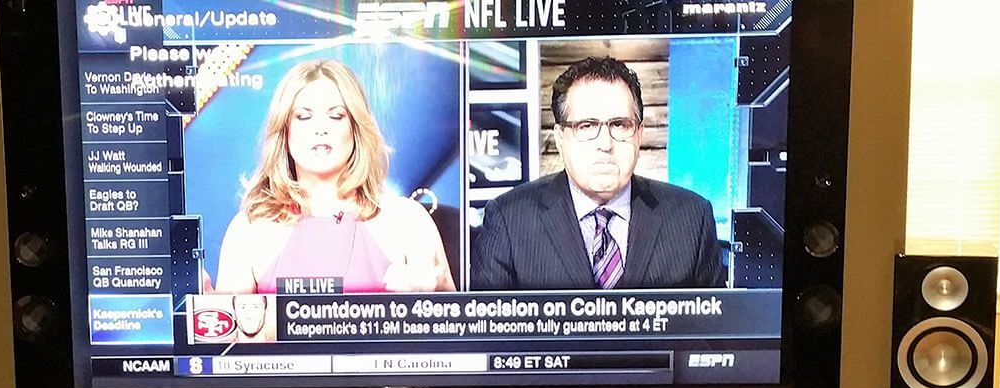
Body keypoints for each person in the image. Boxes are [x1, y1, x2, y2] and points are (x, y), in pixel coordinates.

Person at [471, 57, 726, 290]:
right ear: (561, 138)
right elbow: (487, 338)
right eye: (587, 126)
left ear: (639, 134)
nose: (605, 143)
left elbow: (718, 336)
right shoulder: (509, 220)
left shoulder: (692, 217)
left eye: (620, 125)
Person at [215, 60, 456, 294]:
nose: (321, 128)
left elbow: (458, 329)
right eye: (304, 116)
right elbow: (230, 331)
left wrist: (435, 293)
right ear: (284, 131)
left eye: (336, 116)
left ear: (356, 128)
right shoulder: (249, 230)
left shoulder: (406, 221)